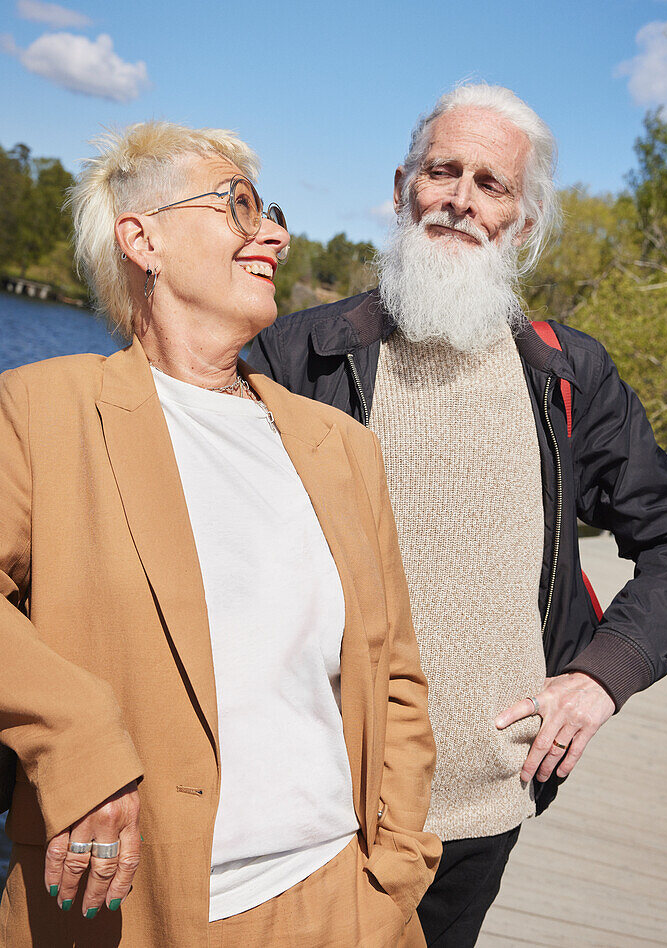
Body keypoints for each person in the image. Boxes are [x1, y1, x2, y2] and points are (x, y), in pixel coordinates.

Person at [248, 83, 667, 948]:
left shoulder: (567, 375)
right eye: (442, 171)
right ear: (402, 188)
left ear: (524, 223)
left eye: (491, 184)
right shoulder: (301, 353)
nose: (460, 200)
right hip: (308, 802)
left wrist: (603, 675)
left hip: (477, 817)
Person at [0, 121, 440, 948]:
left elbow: (397, 679)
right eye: (236, 204)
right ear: (144, 238)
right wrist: (76, 734)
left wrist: (396, 872)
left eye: (268, 208)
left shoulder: (341, 448)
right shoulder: (37, 412)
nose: (272, 231)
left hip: (341, 902)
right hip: (122, 911)